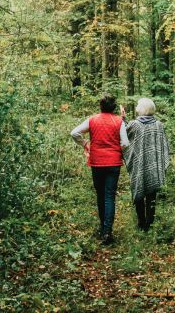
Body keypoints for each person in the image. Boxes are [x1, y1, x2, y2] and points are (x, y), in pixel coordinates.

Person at [71, 95, 129, 245]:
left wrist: (85, 144)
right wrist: (117, 149)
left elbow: (74, 133)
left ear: (101, 106)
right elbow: (125, 143)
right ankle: (107, 232)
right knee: (109, 196)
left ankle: (103, 228)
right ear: (114, 108)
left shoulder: (92, 120)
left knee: (100, 195)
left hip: (96, 162)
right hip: (113, 163)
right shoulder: (119, 121)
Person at [124, 98, 169, 232]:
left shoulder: (135, 124)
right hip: (154, 165)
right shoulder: (158, 124)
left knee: (140, 192)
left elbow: (123, 135)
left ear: (142, 108)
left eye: (138, 105)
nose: (137, 107)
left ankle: (142, 223)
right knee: (151, 195)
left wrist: (122, 119)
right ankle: (149, 224)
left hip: (140, 165)